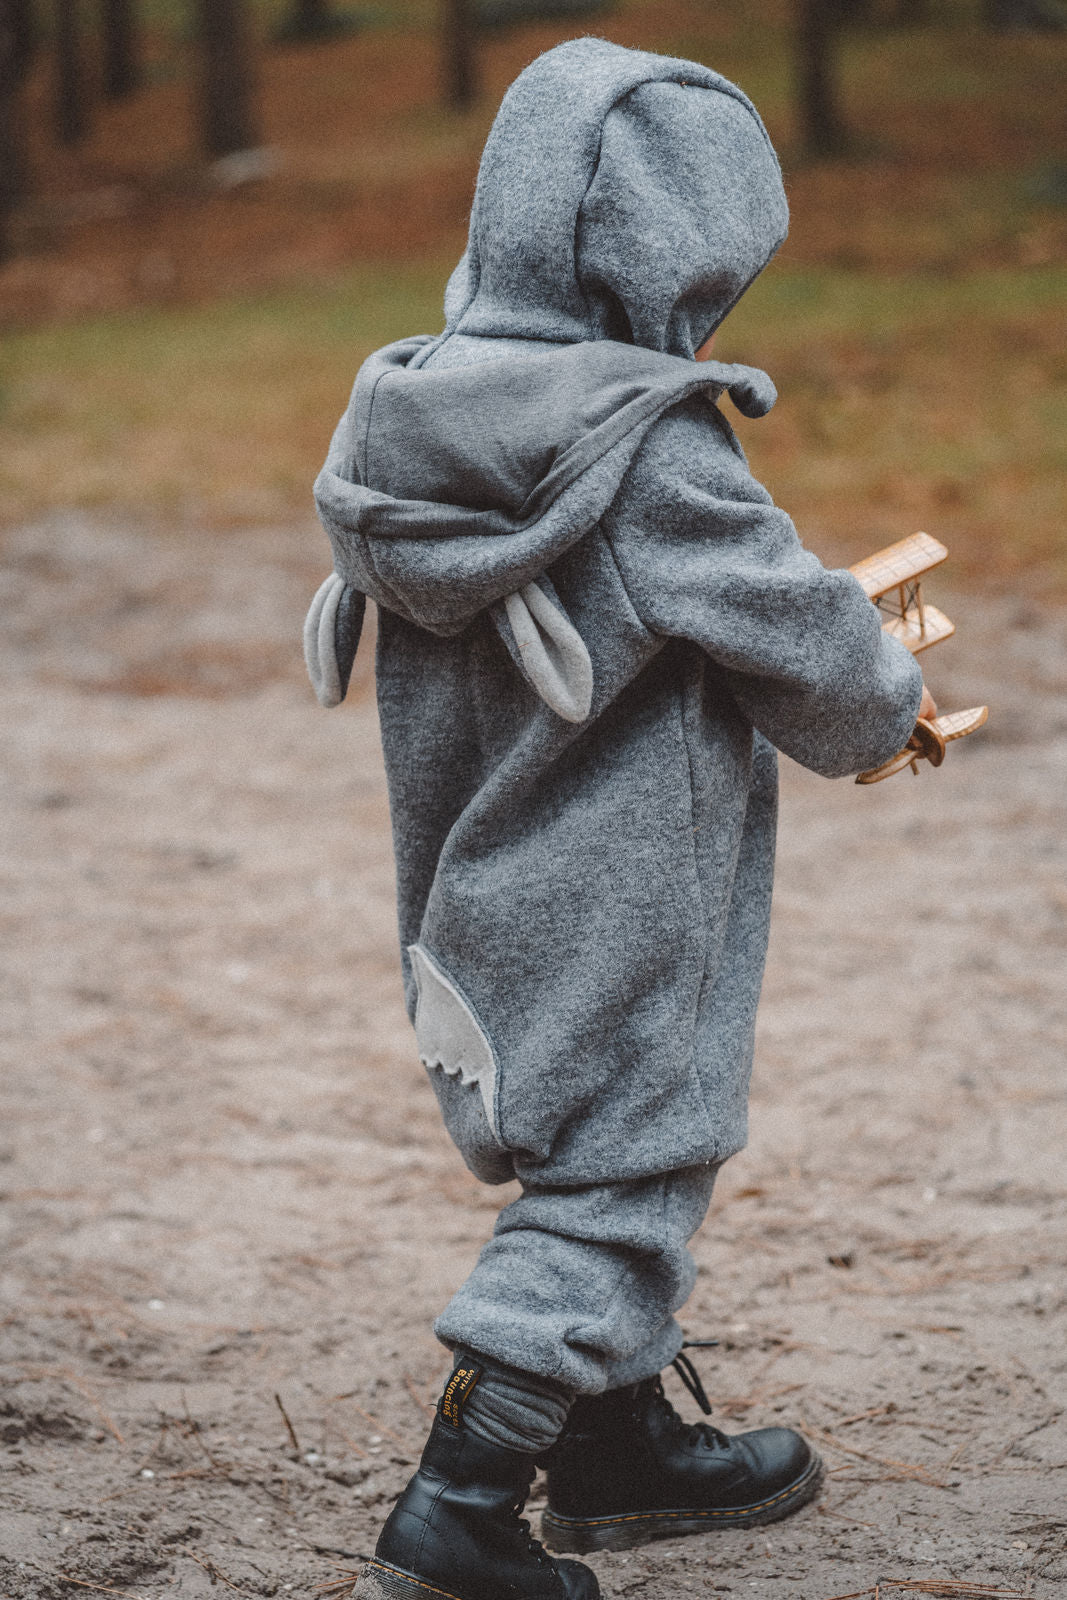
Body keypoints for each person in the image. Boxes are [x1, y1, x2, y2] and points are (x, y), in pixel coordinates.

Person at [304, 36, 931, 1600]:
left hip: (480, 890)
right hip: (627, 896)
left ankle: (613, 1447)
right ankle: (457, 1508)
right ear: (687, 251)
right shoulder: (647, 449)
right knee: (625, 1181)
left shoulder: (426, 421)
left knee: (592, 1154)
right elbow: (801, 637)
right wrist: (891, 702)